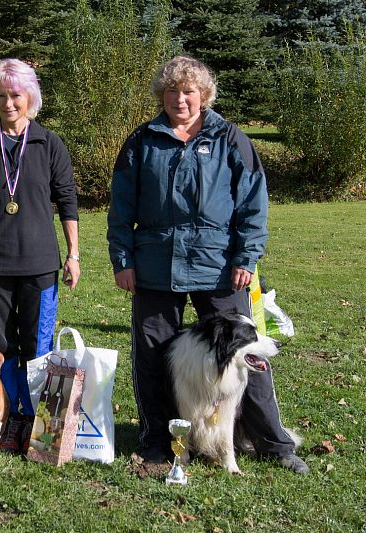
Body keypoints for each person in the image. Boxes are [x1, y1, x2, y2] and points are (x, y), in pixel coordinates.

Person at [107, 55, 309, 474]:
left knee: (248, 355)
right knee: (153, 356)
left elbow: (254, 203)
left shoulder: (230, 139)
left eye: (188, 92)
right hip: (155, 265)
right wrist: (123, 259)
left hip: (220, 267)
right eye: (171, 92)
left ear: (204, 95)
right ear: (160, 96)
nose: (179, 99)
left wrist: (246, 257)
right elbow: (121, 207)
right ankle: (158, 444)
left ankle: (274, 444)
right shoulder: (142, 141)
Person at [0, 58, 80, 454]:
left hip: (41, 265)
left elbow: (67, 200)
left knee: (38, 347)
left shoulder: (49, 143)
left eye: (16, 95)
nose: (9, 103)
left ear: (30, 97)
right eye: (1, 95)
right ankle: (8, 419)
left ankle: (37, 425)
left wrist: (73, 253)